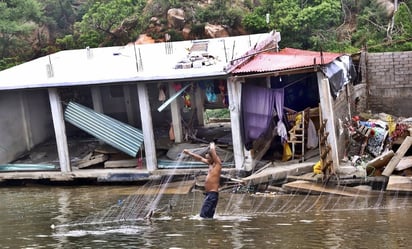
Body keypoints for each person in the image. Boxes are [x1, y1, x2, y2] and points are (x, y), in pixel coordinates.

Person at [183, 142, 222, 218]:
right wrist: (189, 153)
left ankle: (205, 229)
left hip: (212, 195)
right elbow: (200, 158)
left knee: (203, 216)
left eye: (208, 158)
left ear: (213, 158)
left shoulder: (218, 164)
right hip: (209, 195)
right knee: (208, 217)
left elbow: (213, 152)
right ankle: (211, 228)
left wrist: (212, 145)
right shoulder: (210, 164)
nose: (207, 159)